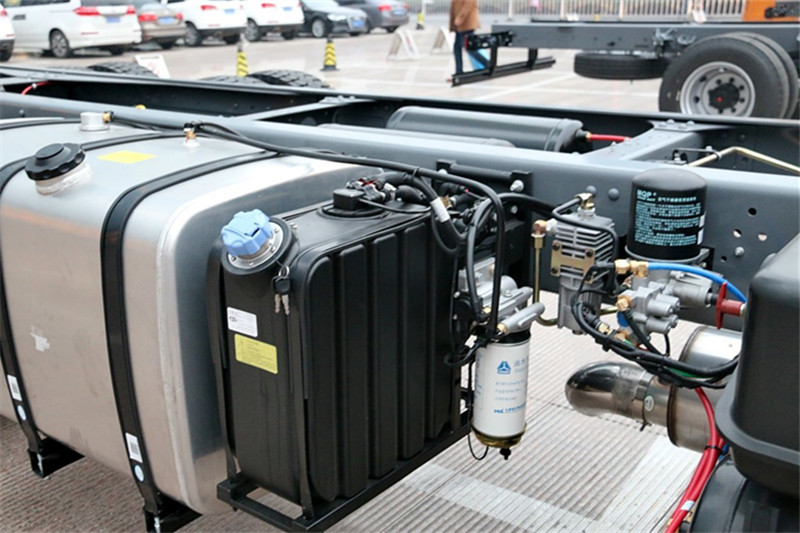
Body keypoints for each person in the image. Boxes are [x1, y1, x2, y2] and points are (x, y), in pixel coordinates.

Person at [449, 0, 488, 77]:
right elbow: (453, 7)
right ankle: (459, 71)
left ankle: (487, 63)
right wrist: (452, 25)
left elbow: (468, 4)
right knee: (457, 48)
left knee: (469, 47)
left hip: (467, 23)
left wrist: (460, 18)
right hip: (459, 26)